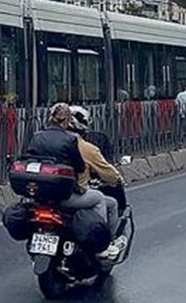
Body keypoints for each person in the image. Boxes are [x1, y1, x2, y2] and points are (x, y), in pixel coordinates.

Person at [22, 104, 122, 255]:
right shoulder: (71, 141)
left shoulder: (37, 137)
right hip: (65, 196)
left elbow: (28, 159)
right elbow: (80, 167)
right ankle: (101, 245)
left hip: (40, 195)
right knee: (100, 199)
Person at [69, 107, 127, 215]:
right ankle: (101, 231)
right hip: (70, 194)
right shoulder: (85, 147)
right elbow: (109, 173)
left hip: (45, 195)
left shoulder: (44, 141)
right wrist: (117, 179)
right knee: (104, 201)